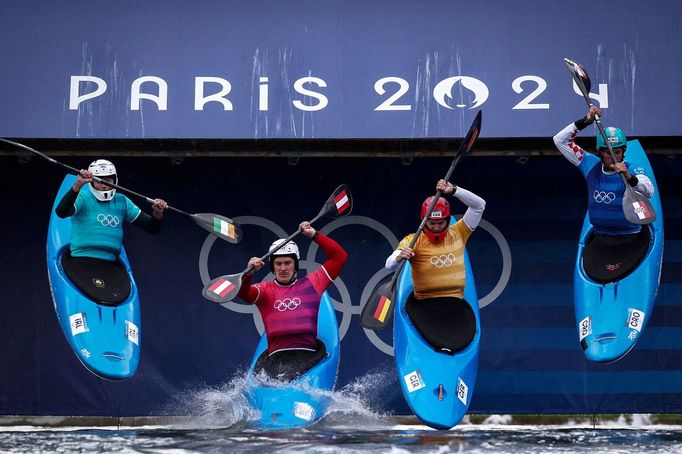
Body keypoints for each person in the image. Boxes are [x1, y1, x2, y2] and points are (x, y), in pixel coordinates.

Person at [553, 106, 655, 282]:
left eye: (617, 152)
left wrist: (628, 177)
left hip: (631, 240)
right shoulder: (589, 164)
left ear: (623, 152)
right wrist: (585, 121)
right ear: (600, 151)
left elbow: (649, 190)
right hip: (601, 240)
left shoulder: (632, 168)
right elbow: (560, 141)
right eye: (608, 151)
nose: (613, 156)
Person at [236, 221, 348, 381]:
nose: (283, 268)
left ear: (295, 265)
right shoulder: (264, 290)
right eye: (278, 264)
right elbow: (244, 293)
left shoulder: (313, 283)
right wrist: (248, 274)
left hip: (308, 357)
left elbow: (340, 257)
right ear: (272, 267)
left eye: (287, 263)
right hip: (275, 361)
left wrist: (314, 234)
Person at [385, 179, 486, 353]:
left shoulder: (459, 232)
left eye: (441, 223)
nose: (437, 228)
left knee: (457, 343)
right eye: (432, 223)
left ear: (448, 221)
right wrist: (399, 256)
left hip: (454, 305)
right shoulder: (413, 239)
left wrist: (454, 190)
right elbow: (389, 266)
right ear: (424, 221)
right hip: (425, 305)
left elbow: (479, 206)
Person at [54, 159, 167, 302]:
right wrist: (77, 185)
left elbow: (151, 227)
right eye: (99, 180)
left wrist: (157, 214)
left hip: (110, 265)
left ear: (115, 180)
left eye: (108, 180)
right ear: (91, 182)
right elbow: (61, 212)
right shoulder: (83, 196)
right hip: (81, 261)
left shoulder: (122, 201)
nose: (104, 185)